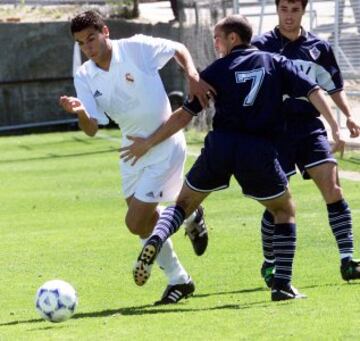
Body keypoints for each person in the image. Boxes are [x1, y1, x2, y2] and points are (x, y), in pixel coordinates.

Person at [129, 14, 344, 301]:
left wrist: (149, 141)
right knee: (284, 210)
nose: (215, 44)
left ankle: (158, 235)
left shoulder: (215, 71)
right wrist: (335, 126)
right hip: (258, 150)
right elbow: (314, 90)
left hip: (220, 145)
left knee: (183, 204)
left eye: (217, 38)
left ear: (233, 38)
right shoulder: (276, 62)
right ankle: (282, 285)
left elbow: (185, 114)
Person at [59, 10, 213, 305]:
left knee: (135, 222)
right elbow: (92, 128)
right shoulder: (84, 75)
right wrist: (79, 112)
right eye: (81, 43)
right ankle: (181, 268)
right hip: (132, 151)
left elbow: (178, 49)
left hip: (165, 143)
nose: (88, 47)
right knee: (142, 225)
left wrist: (192, 76)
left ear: (105, 31)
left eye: (91, 38)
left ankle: (185, 227)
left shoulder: (136, 47)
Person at [251, 0, 360, 288]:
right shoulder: (260, 45)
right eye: (284, 9)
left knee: (333, 187)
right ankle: (271, 262)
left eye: (294, 10)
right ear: (277, 10)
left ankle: (348, 260)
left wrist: (348, 117)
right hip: (275, 131)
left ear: (303, 11)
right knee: (277, 201)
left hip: (310, 128)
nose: (289, 16)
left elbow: (334, 86)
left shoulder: (319, 48)